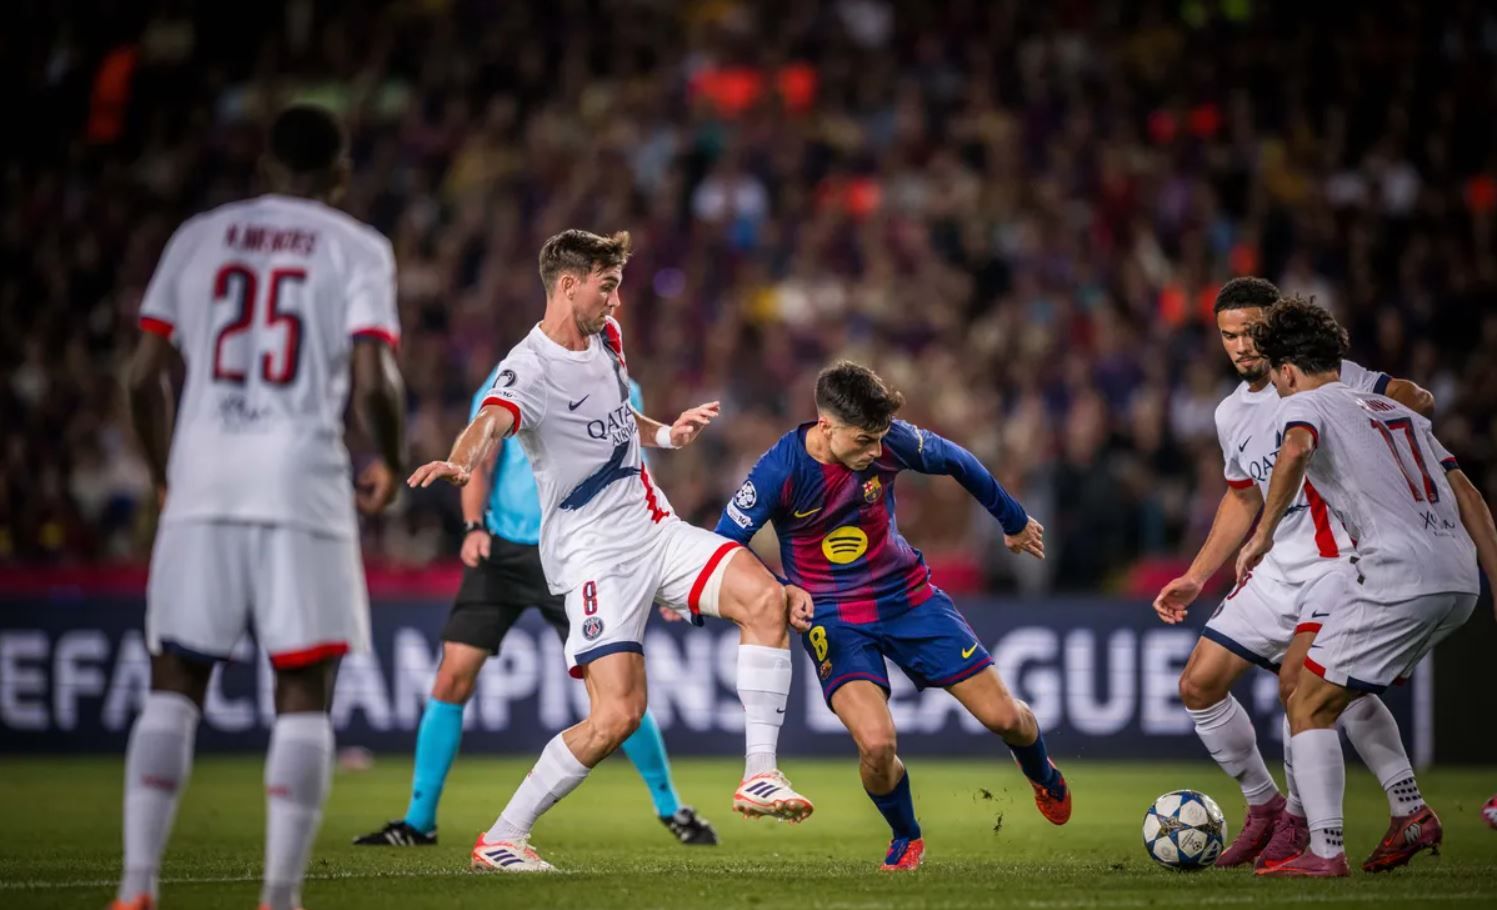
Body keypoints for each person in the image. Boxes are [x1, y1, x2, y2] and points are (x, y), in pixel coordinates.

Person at [407, 228, 814, 873]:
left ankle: (760, 774)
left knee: (765, 599)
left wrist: (668, 434)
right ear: (569, 285)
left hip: (655, 527)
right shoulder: (529, 367)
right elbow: (488, 421)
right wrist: (462, 465)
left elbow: (621, 416)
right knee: (618, 715)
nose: (617, 300)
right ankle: (504, 836)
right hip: (593, 552)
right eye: (607, 285)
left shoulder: (607, 339)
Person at [112, 104, 406, 910]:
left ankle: (136, 887)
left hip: (202, 478)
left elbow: (142, 378)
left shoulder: (198, 236)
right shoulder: (357, 247)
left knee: (174, 680)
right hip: (301, 480)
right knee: (303, 687)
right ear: (340, 176)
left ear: (264, 168)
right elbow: (376, 380)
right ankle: (279, 898)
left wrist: (169, 471)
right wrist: (391, 454)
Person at [713, 361, 1066, 872]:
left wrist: (1012, 520)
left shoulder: (890, 439)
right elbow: (725, 545)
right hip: (833, 619)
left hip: (908, 597)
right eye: (865, 441)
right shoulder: (779, 470)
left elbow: (958, 460)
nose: (877, 452)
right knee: (877, 745)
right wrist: (785, 588)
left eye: (880, 439)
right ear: (826, 426)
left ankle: (1043, 774)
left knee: (1006, 717)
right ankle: (907, 836)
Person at [356, 372, 716, 847]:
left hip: (576, 551)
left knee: (616, 689)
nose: (610, 308)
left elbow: (634, 475)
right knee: (452, 675)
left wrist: (658, 571)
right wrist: (472, 526)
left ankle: (671, 807)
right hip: (503, 549)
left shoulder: (619, 382)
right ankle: (419, 820)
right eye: (605, 294)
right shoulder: (514, 375)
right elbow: (480, 462)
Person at [1153, 278, 1438, 871]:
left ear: (1276, 327)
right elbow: (1241, 498)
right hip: (1276, 561)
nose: (1239, 345)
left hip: (1341, 562)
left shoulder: (1331, 377)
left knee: (1302, 686)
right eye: (1228, 335)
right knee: (1198, 684)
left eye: (1251, 331)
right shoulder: (1231, 412)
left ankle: (1306, 826)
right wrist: (1197, 575)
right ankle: (1264, 806)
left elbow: (1419, 400)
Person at [1236, 298, 1493, 877]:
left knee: (1305, 696)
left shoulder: (1301, 403)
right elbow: (1470, 497)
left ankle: (1325, 851)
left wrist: (1261, 536)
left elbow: (1298, 447)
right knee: (1333, 682)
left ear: (1285, 371)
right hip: (1457, 577)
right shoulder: (1395, 408)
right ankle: (1409, 810)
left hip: (1398, 573)